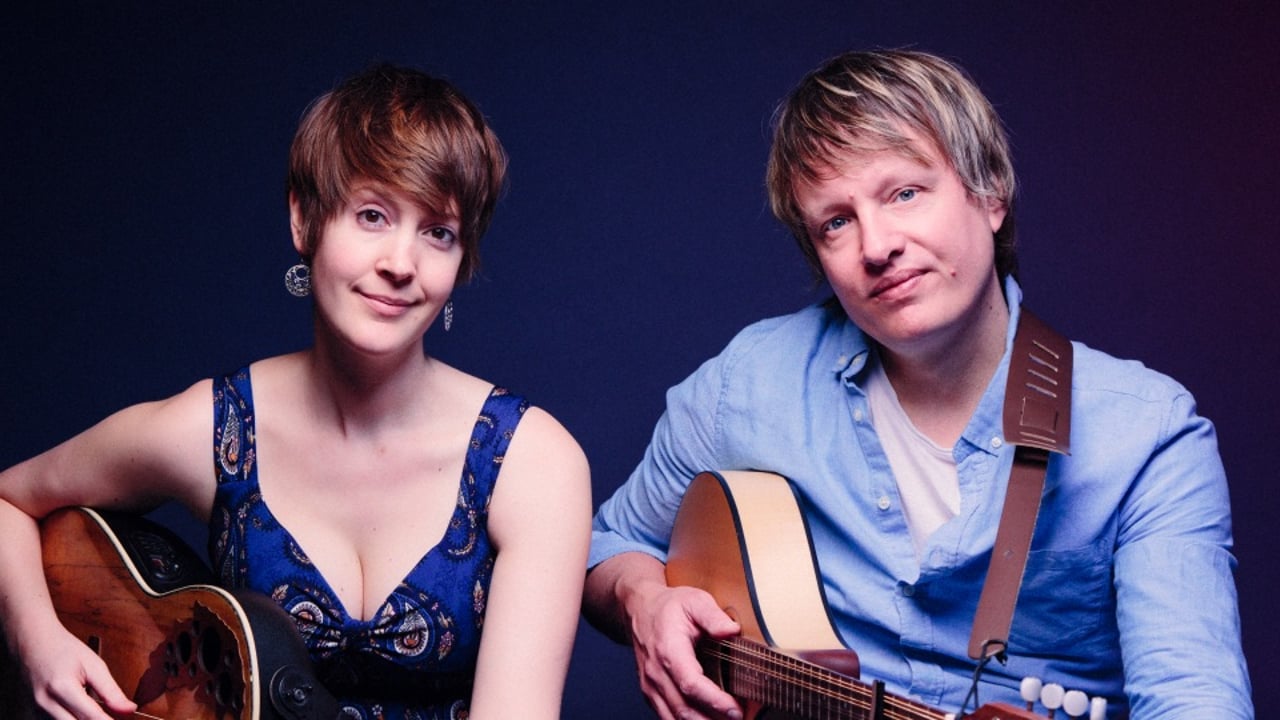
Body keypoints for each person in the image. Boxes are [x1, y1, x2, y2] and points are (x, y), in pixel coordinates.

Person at [583, 49, 1252, 719]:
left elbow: (1195, 699)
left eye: (904, 193)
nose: (877, 247)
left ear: (990, 195)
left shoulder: (1147, 437)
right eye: (836, 222)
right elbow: (606, 546)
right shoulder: (749, 383)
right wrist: (647, 601)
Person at [0, 63, 591, 719]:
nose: (401, 264)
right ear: (304, 221)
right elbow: (7, 502)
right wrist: (38, 644)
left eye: (438, 233)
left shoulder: (531, 464)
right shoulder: (219, 431)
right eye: (372, 215)